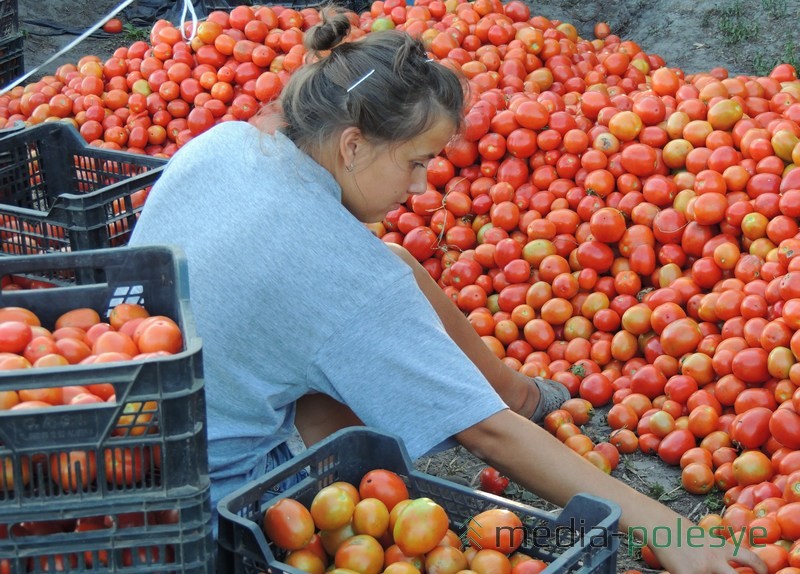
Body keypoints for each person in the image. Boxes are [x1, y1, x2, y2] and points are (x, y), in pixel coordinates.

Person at [129, 9, 766, 574]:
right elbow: (484, 437)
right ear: (353, 145)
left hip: (133, 424)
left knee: (396, 262)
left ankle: (518, 393)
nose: (423, 185)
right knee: (404, 387)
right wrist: (668, 529)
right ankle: (508, 401)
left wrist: (497, 402)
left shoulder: (226, 144)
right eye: (414, 162)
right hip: (210, 501)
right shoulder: (346, 277)